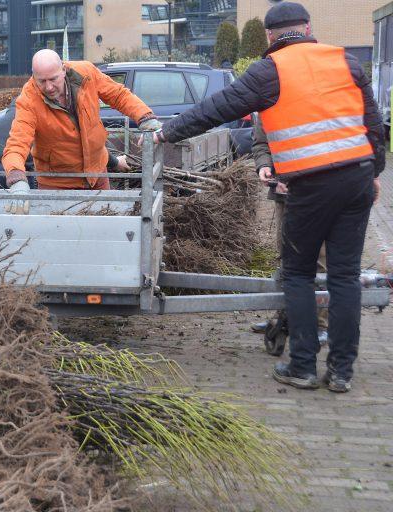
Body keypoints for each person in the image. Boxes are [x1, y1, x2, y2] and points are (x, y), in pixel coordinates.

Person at [154, 1, 385, 392]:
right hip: (356, 179)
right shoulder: (345, 61)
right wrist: (375, 173)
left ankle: (303, 367)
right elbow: (373, 124)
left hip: (310, 187)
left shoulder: (270, 70)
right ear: (308, 28)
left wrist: (166, 133)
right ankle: (342, 371)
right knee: (344, 276)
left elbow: (216, 108)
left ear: (269, 36)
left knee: (298, 273)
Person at [1, 49, 159, 213]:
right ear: (34, 76)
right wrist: (16, 178)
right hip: (58, 183)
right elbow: (16, 144)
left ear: (63, 70)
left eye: (53, 79)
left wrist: (144, 115)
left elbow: (118, 95)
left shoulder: (86, 74)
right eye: (42, 81)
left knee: (105, 227)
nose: (48, 87)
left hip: (97, 175)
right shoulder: (28, 101)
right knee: (62, 234)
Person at [250, 117, 329, 347]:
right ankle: (284, 317)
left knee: (319, 259)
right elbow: (261, 142)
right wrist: (264, 165)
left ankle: (320, 325)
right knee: (285, 257)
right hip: (284, 193)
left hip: (318, 193)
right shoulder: (270, 101)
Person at [0, 98, 130, 191]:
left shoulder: (25, 101)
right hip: (10, 165)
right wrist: (117, 162)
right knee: (26, 217)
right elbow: (89, 150)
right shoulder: (56, 121)